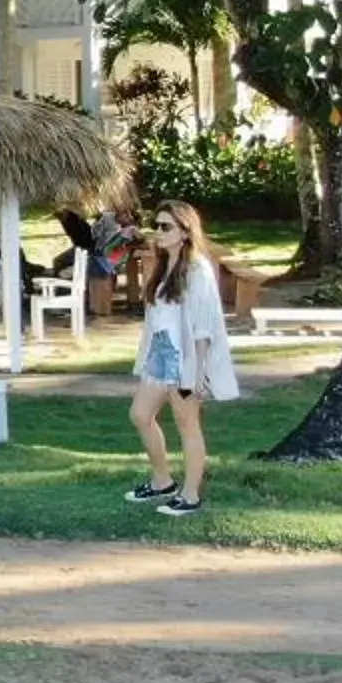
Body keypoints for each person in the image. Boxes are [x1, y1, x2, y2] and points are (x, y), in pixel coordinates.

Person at [125, 197, 240, 516]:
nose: (158, 233)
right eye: (156, 226)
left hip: (185, 357)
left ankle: (190, 495)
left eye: (166, 227)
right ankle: (162, 481)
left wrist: (200, 371)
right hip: (161, 354)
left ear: (185, 232)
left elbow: (204, 325)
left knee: (187, 423)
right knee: (140, 414)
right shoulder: (164, 267)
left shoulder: (197, 269)